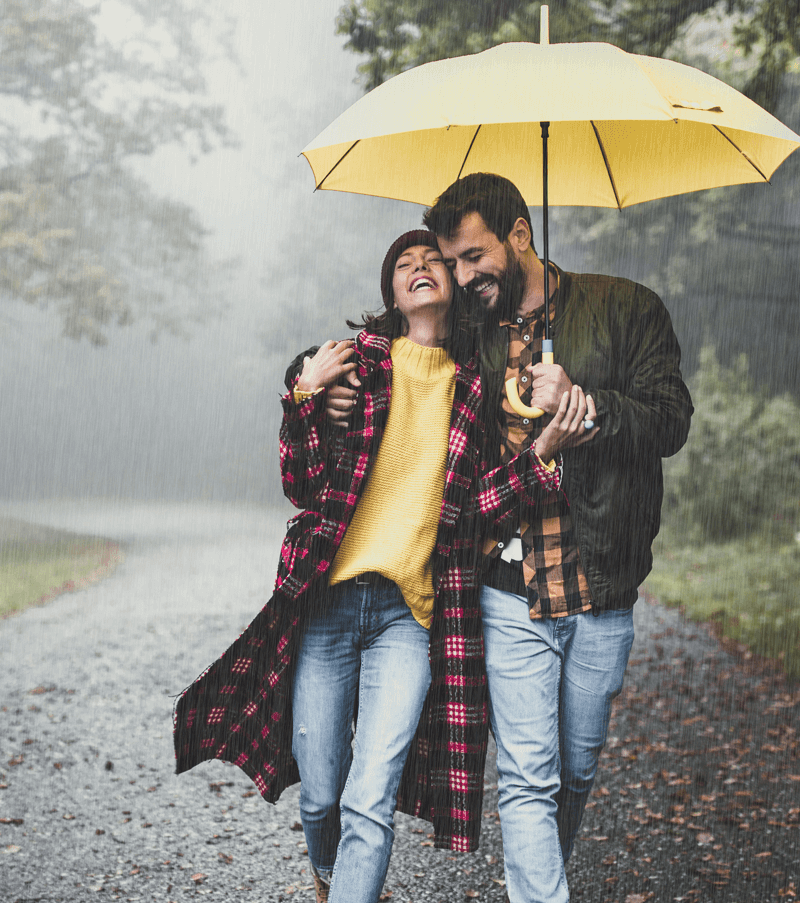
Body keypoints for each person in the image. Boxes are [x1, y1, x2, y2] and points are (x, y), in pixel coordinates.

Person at [173, 229, 598, 903]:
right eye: (406, 263)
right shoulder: (356, 366)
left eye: (434, 260)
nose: (422, 267)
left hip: (407, 617)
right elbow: (303, 483)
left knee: (368, 797)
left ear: (453, 287)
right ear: (391, 292)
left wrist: (544, 448)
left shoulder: (475, 389)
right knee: (320, 795)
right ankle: (328, 875)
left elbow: (482, 505)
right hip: (329, 604)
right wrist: (304, 395)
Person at [410, 172, 692, 903]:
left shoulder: (626, 308)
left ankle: (539, 879)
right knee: (528, 779)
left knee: (575, 768)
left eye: (473, 256)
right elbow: (391, 360)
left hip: (601, 585)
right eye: (453, 263)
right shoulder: (466, 337)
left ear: (520, 234)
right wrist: (306, 377)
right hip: (508, 590)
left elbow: (669, 420)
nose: (463, 277)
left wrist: (586, 406)